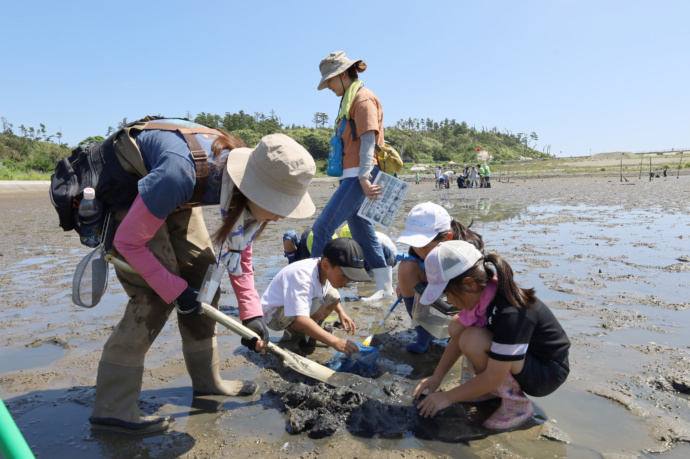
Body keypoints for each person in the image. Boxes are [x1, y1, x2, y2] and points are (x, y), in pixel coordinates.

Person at [90, 121, 316, 434]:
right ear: (252, 187)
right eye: (278, 205)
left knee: (203, 277)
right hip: (133, 190)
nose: (280, 216)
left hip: (177, 191)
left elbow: (241, 252)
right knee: (154, 296)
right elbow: (129, 242)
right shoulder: (179, 175)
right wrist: (174, 290)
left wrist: (251, 315)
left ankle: (208, 382)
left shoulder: (239, 178)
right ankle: (112, 410)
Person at [414, 241, 570, 430]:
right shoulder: (483, 294)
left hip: (546, 372)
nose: (448, 300)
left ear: (469, 283)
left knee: (473, 340)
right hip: (523, 360)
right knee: (457, 326)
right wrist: (437, 377)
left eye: (448, 293)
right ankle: (490, 392)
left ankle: (516, 405)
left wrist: (447, 397)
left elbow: (494, 376)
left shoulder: (510, 312)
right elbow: (456, 337)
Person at [310, 51, 392, 302]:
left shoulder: (362, 98)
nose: (329, 88)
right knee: (361, 231)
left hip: (360, 174)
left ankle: (315, 289)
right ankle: (385, 288)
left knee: (322, 227)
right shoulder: (349, 99)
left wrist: (365, 178)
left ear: (343, 74)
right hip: (353, 175)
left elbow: (368, 140)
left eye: (330, 82)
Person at [395, 202, 484, 353]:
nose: (419, 251)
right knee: (405, 267)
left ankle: (457, 330)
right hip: (433, 280)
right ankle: (423, 334)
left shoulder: (468, 249)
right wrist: (402, 285)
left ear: (448, 238)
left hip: (455, 286)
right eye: (415, 245)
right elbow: (414, 259)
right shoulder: (418, 249)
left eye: (425, 247)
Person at [263, 238, 369, 354]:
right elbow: (300, 320)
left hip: (288, 308)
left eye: (351, 278)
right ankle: (291, 344)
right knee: (317, 306)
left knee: (333, 295)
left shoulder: (323, 267)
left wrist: (341, 312)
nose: (347, 282)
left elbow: (330, 293)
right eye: (344, 276)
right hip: (273, 315)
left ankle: (310, 338)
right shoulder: (302, 276)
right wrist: (335, 341)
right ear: (325, 265)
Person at [282, 224, 397, 270]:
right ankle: (291, 265)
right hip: (307, 248)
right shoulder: (303, 253)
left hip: (386, 256)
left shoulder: (369, 244)